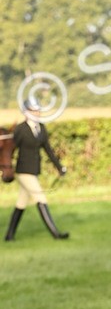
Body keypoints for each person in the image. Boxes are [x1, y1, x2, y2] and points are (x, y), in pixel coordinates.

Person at [4, 99, 69, 241]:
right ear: (26, 112)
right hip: (23, 171)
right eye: (34, 110)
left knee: (21, 203)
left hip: (34, 170)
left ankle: (9, 236)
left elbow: (48, 150)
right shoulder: (20, 129)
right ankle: (55, 234)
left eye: (38, 110)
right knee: (41, 198)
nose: (37, 113)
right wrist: (5, 168)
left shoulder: (41, 128)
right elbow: (9, 150)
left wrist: (59, 167)